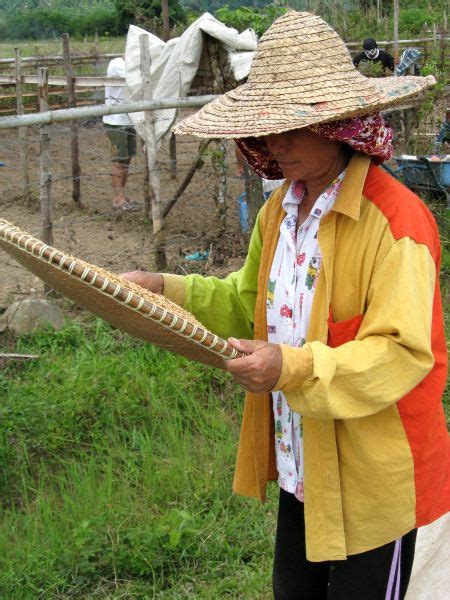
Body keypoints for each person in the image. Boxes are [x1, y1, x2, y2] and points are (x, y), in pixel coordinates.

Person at [122, 12, 449, 600]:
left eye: (291, 128)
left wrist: (288, 367)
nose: (275, 143)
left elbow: (400, 354)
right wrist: (161, 288)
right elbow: (246, 302)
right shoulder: (282, 212)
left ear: (336, 126)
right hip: (306, 463)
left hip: (377, 479)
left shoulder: (397, 223)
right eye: (266, 128)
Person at [103, 56, 137, 211]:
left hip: (129, 119)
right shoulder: (117, 64)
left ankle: (122, 194)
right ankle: (117, 198)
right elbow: (135, 78)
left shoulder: (131, 64)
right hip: (115, 120)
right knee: (119, 161)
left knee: (126, 160)